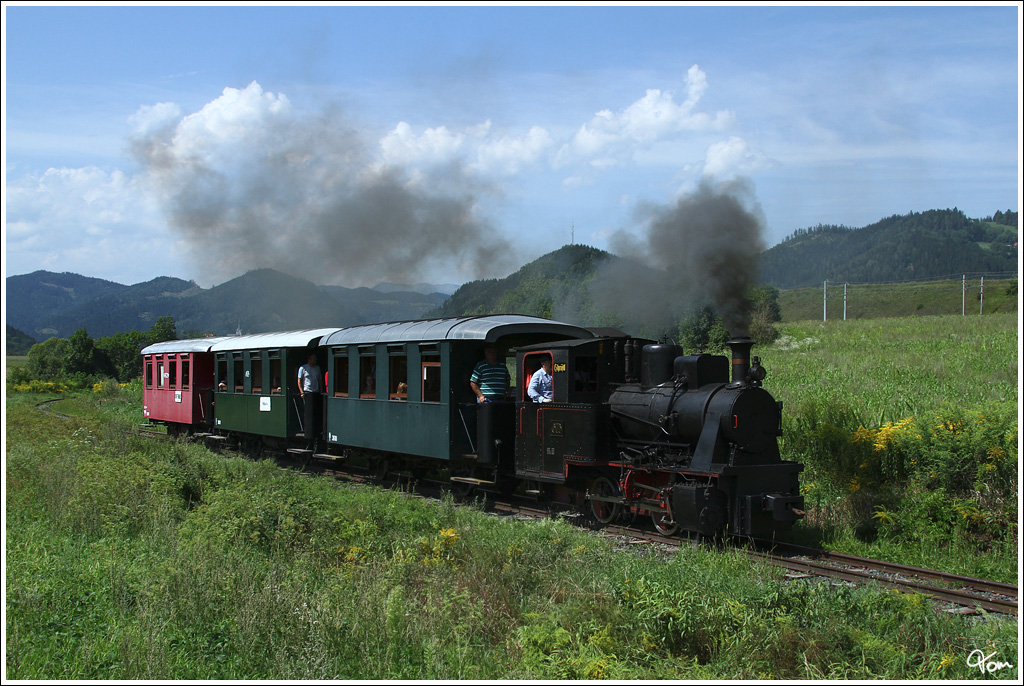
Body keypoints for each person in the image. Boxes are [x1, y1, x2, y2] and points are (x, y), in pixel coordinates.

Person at [297, 352, 322, 452]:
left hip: (316, 392)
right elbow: (299, 380)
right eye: (313, 358)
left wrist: (320, 390)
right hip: (307, 392)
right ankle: (308, 437)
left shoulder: (317, 368)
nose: (315, 360)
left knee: (316, 415)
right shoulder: (303, 368)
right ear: (309, 359)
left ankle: (316, 437)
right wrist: (301, 392)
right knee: (308, 415)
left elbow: (319, 379)